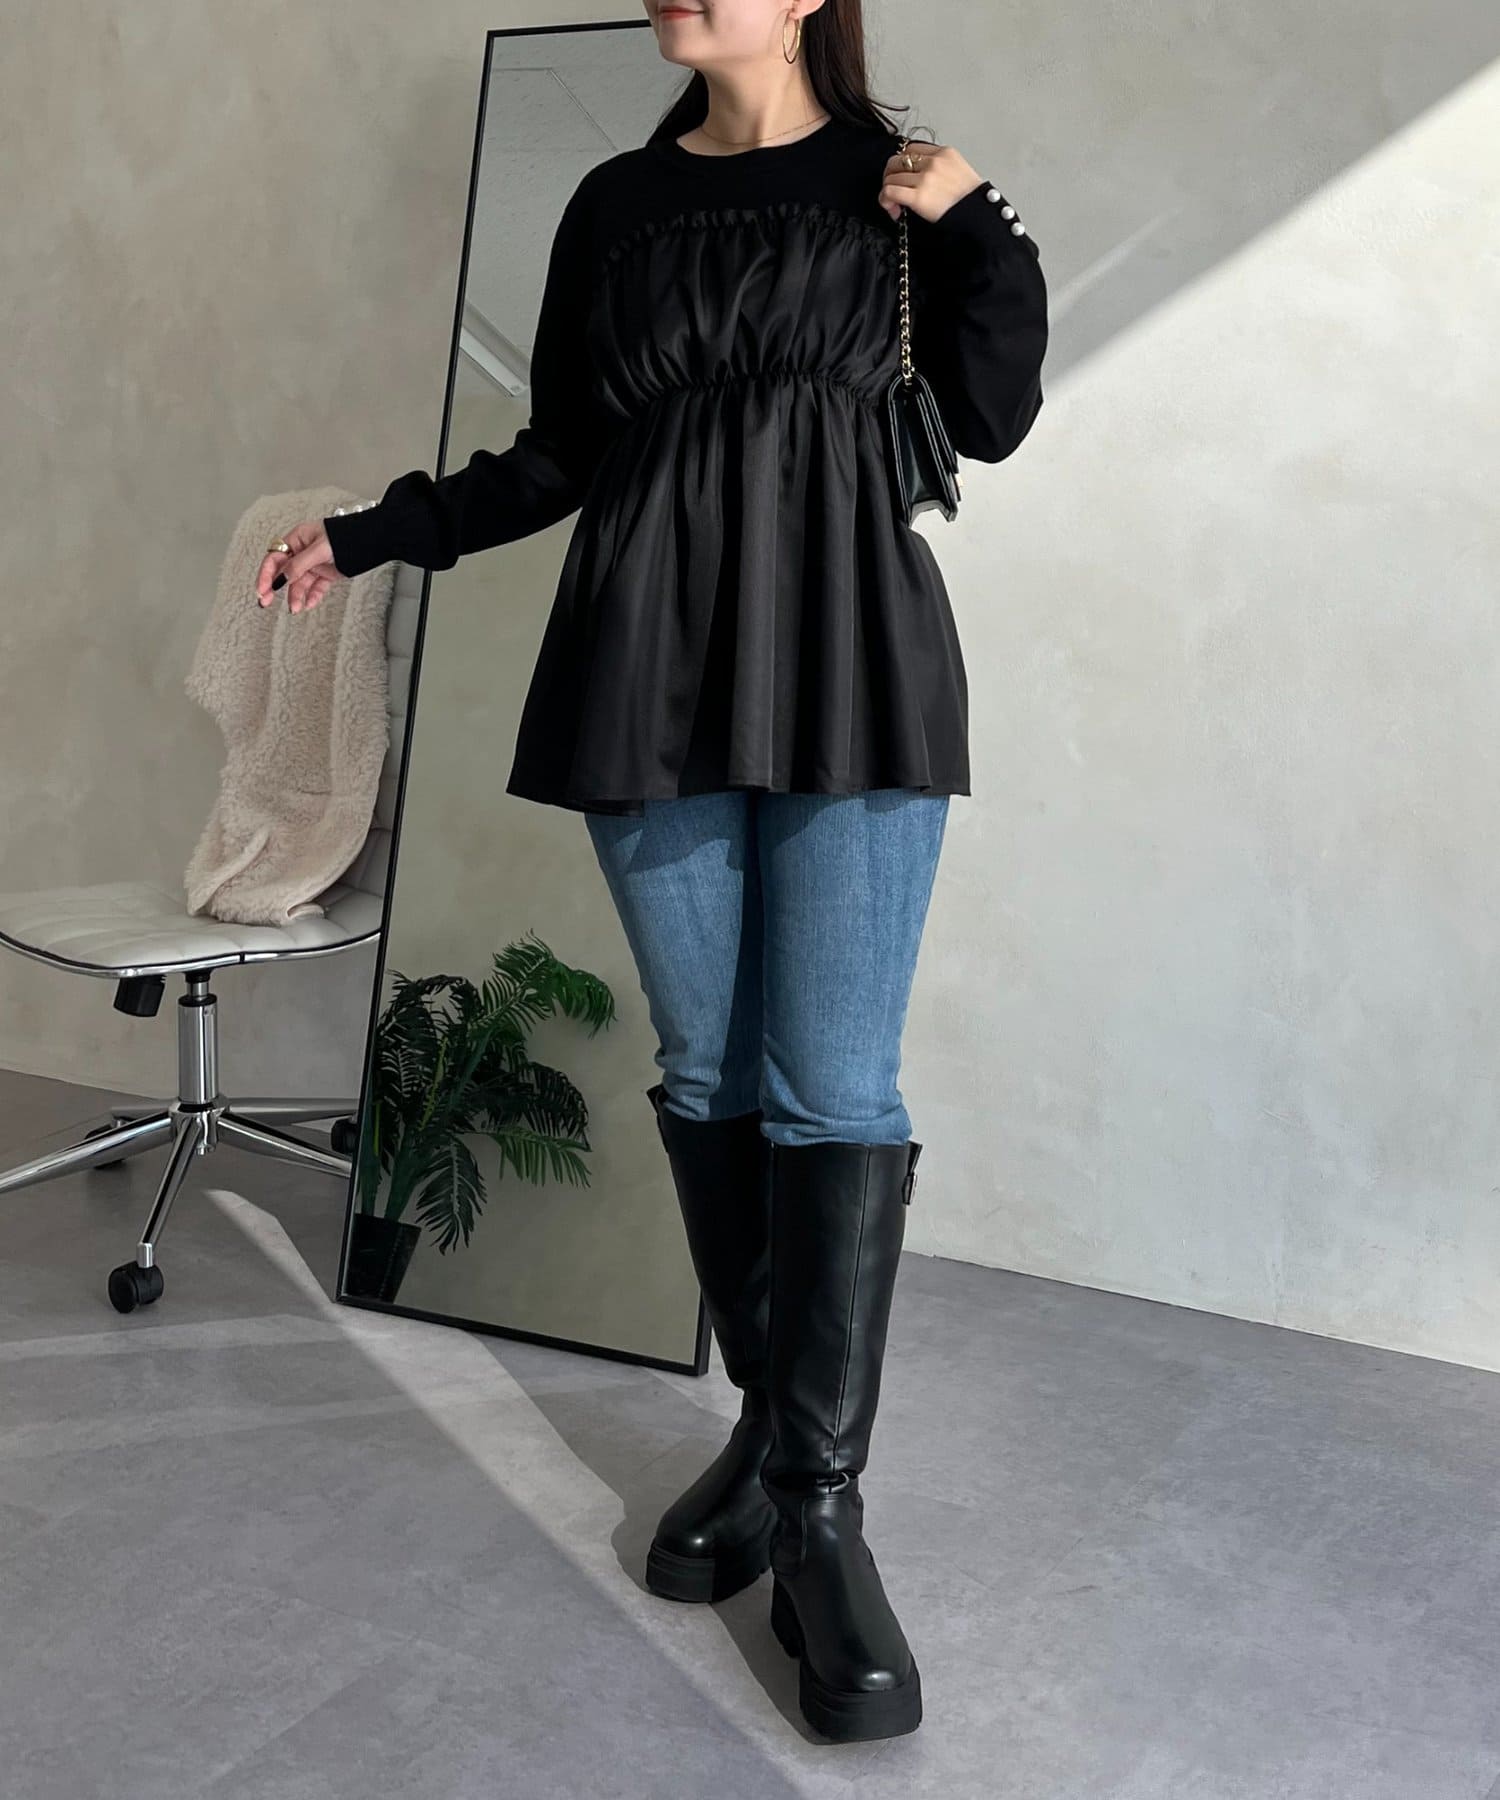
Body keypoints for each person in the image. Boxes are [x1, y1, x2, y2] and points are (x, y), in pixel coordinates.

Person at [256, 0, 1047, 1746]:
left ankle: (818, 1513)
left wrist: (979, 225)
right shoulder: (615, 205)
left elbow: (991, 420)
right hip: (646, 670)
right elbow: (562, 455)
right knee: (706, 1070)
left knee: (833, 1085)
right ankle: (772, 1437)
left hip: (849, 666)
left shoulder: (899, 184)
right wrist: (375, 533)